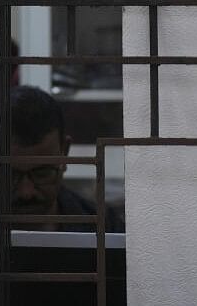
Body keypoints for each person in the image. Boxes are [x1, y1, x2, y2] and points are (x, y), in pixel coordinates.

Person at [10, 85, 123, 232]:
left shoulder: (104, 229)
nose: (26, 192)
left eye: (42, 173)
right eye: (10, 175)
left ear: (64, 152)